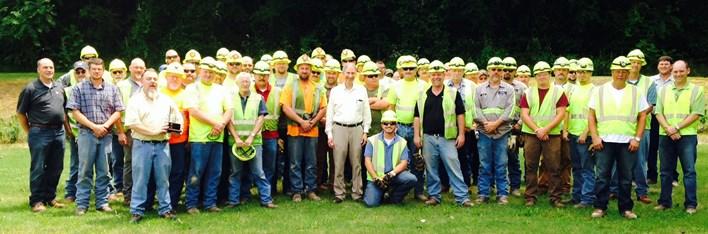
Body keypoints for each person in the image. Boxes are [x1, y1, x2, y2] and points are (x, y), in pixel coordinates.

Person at [589, 56, 649, 220]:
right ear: (612, 71)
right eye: (617, 71)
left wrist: (637, 138)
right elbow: (591, 115)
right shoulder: (599, 90)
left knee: (626, 177)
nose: (621, 74)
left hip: (627, 141)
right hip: (604, 141)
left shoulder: (636, 92)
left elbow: (643, 115)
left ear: (629, 72)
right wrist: (595, 137)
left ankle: (626, 209)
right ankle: (600, 207)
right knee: (602, 176)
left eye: (624, 72)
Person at [67, 58, 125, 215]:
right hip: (86, 134)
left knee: (104, 170)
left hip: (106, 135)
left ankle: (102, 202)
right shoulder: (79, 89)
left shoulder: (112, 89)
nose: (96, 71)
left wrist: (105, 126)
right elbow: (75, 111)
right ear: (88, 70)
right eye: (93, 69)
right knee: (84, 170)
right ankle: (82, 204)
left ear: (103, 70)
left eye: (99, 69)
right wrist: (94, 127)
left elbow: (118, 111)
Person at [125, 69, 181, 223]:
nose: (152, 82)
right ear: (142, 81)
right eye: (148, 79)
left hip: (163, 145)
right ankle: (137, 211)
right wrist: (154, 131)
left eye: (155, 79)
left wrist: (174, 129)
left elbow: (178, 122)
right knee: (140, 180)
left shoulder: (167, 100)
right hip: (142, 145)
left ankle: (165, 209)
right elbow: (132, 124)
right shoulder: (135, 100)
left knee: (163, 180)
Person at [413, 60, 472, 207]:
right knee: (431, 169)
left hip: (448, 138)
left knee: (454, 166)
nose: (436, 77)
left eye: (439, 74)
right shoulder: (422, 94)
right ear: (430, 76)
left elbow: (460, 114)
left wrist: (461, 134)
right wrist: (416, 136)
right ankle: (434, 196)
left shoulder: (452, 93)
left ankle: (462, 197)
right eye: (433, 74)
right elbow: (417, 116)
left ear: (444, 75)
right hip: (428, 138)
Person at [17, 58, 67, 212]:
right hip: (39, 132)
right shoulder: (30, 89)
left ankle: (50, 197)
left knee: (56, 167)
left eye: (51, 67)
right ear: (38, 70)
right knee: (38, 167)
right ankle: (37, 201)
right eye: (45, 67)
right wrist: (31, 131)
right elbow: (21, 114)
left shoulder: (60, 86)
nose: (49, 70)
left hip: (58, 132)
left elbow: (63, 110)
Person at [184, 57, 233, 214]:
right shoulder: (192, 88)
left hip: (217, 138)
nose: (209, 74)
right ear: (200, 71)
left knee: (215, 172)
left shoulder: (221, 89)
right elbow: (193, 111)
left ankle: (210, 203)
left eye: (212, 72)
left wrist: (222, 124)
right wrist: (216, 124)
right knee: (196, 172)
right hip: (200, 138)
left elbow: (229, 110)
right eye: (206, 71)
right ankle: (191, 204)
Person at [654, 60, 702, 215]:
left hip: (686, 135)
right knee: (665, 171)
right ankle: (664, 202)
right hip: (666, 135)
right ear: (671, 72)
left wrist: (676, 127)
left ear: (688, 70)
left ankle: (691, 204)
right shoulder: (662, 90)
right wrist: (669, 129)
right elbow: (658, 112)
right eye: (675, 71)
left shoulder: (696, 90)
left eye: (681, 71)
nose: (678, 74)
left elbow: (696, 113)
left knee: (689, 171)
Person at [225, 72, 277, 209]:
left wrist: (251, 136)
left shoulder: (258, 98)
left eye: (247, 80)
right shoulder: (229, 98)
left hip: (254, 142)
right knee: (235, 172)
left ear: (251, 82)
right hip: (235, 142)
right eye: (242, 80)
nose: (245, 83)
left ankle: (266, 200)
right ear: (237, 83)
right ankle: (233, 201)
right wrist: (236, 137)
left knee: (258, 172)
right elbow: (228, 119)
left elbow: (261, 118)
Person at [280, 54, 327, 202]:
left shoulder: (319, 88)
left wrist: (312, 123)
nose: (305, 71)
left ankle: (311, 190)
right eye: (302, 68)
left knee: (311, 162)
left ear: (311, 70)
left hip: (312, 130)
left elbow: (323, 108)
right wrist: (301, 122)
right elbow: (285, 107)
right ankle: (296, 191)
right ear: (298, 69)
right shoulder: (290, 86)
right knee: (295, 162)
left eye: (307, 68)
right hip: (295, 129)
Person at [520, 61, 568, 207]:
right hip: (531, 134)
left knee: (554, 166)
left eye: (545, 74)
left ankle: (555, 197)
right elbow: (524, 114)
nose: (542, 77)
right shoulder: (528, 92)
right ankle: (530, 196)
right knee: (530, 166)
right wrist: (537, 130)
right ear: (535, 76)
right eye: (539, 74)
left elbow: (561, 113)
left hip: (552, 134)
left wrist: (545, 129)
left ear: (550, 75)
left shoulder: (558, 92)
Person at [326, 62, 372, 203]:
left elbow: (366, 112)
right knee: (338, 162)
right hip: (339, 128)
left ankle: (357, 193)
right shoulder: (336, 91)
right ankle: (339, 193)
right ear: (343, 74)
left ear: (356, 74)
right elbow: (330, 113)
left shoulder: (361, 90)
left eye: (353, 73)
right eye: (348, 73)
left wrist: (365, 131)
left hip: (357, 128)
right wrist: (329, 134)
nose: (350, 76)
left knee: (356, 162)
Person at [387, 55, 429, 202]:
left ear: (416, 69)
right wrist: (392, 127)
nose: (409, 70)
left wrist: (421, 130)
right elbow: (391, 108)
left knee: (417, 161)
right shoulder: (395, 86)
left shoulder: (424, 85)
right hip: (399, 128)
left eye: (411, 68)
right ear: (401, 70)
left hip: (416, 129)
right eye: (406, 68)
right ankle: (396, 190)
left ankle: (418, 191)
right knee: (397, 161)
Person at [473, 57, 514, 204]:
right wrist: (486, 124)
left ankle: (502, 194)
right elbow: (475, 109)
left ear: (502, 72)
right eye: (493, 69)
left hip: (501, 133)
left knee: (501, 163)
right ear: (488, 70)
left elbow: (510, 110)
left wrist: (495, 124)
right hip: (484, 132)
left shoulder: (509, 90)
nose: (496, 72)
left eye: (499, 69)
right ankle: (483, 194)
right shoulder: (478, 89)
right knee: (484, 164)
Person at [363, 110, 417, 207]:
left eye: (392, 123)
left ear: (396, 125)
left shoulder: (402, 142)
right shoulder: (372, 140)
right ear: (382, 125)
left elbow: (404, 162)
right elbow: (367, 161)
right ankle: (380, 192)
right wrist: (376, 178)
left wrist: (391, 174)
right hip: (377, 178)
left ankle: (393, 197)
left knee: (411, 179)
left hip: (394, 176)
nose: (389, 125)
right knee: (371, 203)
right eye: (386, 123)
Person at [564, 57, 596, 208]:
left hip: (586, 136)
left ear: (591, 73)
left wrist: (586, 133)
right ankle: (576, 196)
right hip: (573, 133)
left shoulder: (594, 90)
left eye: (585, 72)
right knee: (576, 167)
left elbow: (595, 115)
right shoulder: (573, 89)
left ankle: (587, 198)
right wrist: (565, 130)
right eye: (580, 72)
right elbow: (567, 111)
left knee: (587, 168)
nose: (582, 75)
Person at [160, 63, 191, 211]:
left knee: (177, 172)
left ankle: (172, 203)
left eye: (178, 77)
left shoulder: (186, 94)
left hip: (180, 141)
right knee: (160, 173)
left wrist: (189, 138)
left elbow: (189, 119)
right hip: (160, 140)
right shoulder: (159, 93)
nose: (175, 79)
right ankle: (157, 202)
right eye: (172, 76)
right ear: (166, 77)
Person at [116, 58, 146, 205]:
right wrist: (121, 132)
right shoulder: (122, 85)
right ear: (130, 68)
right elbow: (116, 110)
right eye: (136, 67)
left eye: (141, 68)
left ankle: (143, 193)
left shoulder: (149, 84)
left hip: (147, 130)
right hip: (129, 130)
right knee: (130, 162)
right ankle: (128, 195)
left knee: (143, 163)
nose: (139, 70)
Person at [253, 61, 282, 196]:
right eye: (259, 74)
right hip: (253, 135)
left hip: (271, 134)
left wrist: (280, 136)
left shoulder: (277, 92)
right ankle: (251, 192)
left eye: (265, 74)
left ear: (269, 75)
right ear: (254, 75)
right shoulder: (249, 91)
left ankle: (268, 192)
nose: (262, 77)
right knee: (254, 166)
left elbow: (281, 115)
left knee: (270, 166)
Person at [62, 61, 88, 203]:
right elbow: (64, 113)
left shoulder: (94, 88)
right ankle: (71, 192)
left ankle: (103, 193)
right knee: (75, 164)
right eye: (77, 72)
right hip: (76, 133)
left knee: (102, 165)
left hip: (94, 132)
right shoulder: (68, 90)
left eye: (83, 71)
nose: (80, 74)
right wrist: (68, 129)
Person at [647, 55, 675, 185]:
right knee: (652, 147)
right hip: (653, 117)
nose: (663, 66)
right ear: (658, 66)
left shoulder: (675, 80)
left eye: (666, 64)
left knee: (671, 148)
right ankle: (651, 176)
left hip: (669, 118)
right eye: (661, 64)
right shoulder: (651, 80)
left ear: (671, 66)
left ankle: (673, 177)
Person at [502, 57, 527, 197]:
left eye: (510, 70)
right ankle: (501, 186)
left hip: (515, 128)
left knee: (513, 157)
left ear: (515, 71)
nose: (507, 72)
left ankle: (515, 186)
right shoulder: (496, 85)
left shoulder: (522, 88)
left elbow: (527, 108)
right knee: (499, 159)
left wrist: (520, 124)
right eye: (505, 69)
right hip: (500, 127)